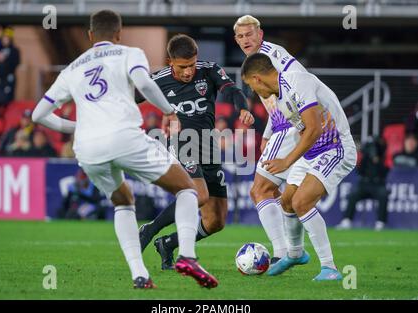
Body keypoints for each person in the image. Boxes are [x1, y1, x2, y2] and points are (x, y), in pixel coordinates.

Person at [32, 10, 218, 289]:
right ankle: (188, 256)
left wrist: (75, 127)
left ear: (91, 36)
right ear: (119, 34)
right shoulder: (129, 53)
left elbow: (38, 115)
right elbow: (144, 83)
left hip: (87, 148)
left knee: (123, 201)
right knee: (187, 189)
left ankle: (140, 275)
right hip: (124, 137)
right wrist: (169, 111)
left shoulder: (72, 68)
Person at [137, 34, 254, 270]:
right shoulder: (157, 80)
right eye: (182, 67)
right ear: (170, 61)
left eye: (191, 65)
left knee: (216, 220)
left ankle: (168, 244)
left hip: (209, 144)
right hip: (182, 142)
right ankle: (149, 229)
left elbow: (232, 91)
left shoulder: (209, 70)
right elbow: (129, 99)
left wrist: (242, 108)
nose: (189, 71)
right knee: (198, 195)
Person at [241, 53, 357, 281]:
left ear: (257, 79)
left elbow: (313, 128)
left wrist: (287, 161)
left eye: (251, 86)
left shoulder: (297, 81)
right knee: (286, 201)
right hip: (312, 152)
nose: (255, 93)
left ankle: (329, 268)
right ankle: (295, 254)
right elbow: (304, 131)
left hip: (336, 147)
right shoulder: (281, 99)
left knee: (301, 201)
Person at [234, 15, 309, 263]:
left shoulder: (271, 56)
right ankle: (293, 249)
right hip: (285, 125)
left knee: (259, 189)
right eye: (241, 36)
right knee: (283, 196)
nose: (245, 40)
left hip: (288, 124)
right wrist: (267, 135)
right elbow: (275, 99)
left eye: (249, 35)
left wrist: (300, 124)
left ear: (260, 35)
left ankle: (281, 253)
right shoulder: (261, 59)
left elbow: (295, 84)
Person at [337, 137, 390, 231]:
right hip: (364, 183)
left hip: (378, 184)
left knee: (383, 195)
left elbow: (385, 171)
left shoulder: (383, 155)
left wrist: (377, 160)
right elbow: (359, 171)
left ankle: (381, 222)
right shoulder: (365, 156)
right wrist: (366, 156)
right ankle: (346, 221)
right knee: (353, 195)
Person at [0, 27, 20, 101]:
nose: (4, 40)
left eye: (6, 39)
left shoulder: (14, 50)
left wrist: (5, 60)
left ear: (10, 39)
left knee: (8, 97)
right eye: (3, 39)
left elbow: (16, 63)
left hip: (9, 77)